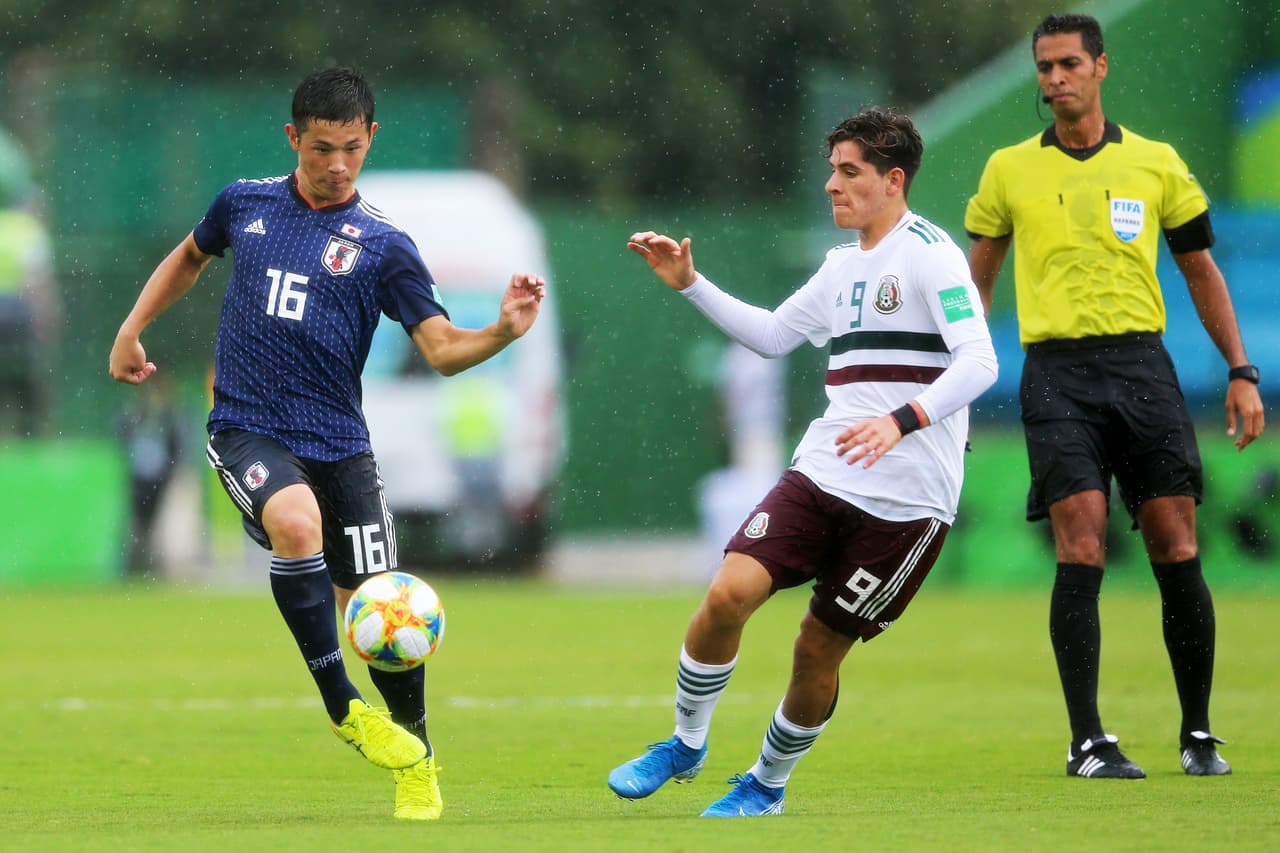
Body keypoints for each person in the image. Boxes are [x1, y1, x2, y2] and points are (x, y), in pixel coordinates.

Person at [108, 66, 546, 820]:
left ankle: (417, 761)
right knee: (295, 521)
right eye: (320, 148)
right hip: (247, 427)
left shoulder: (384, 245)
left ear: (371, 137)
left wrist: (502, 331)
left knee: (384, 615)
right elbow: (188, 256)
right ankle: (342, 705)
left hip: (342, 447)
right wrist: (131, 328)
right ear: (293, 138)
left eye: (351, 148)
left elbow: (441, 349)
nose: (337, 164)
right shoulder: (243, 203)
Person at [608, 108, 998, 817]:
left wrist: (900, 420)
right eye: (832, 170)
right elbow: (772, 334)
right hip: (823, 471)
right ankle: (685, 743)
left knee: (818, 647)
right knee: (727, 594)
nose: (831, 185)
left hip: (907, 503)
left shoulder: (931, 254)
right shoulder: (842, 264)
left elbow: (980, 362)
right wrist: (690, 282)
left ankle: (766, 783)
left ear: (893, 180)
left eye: (849, 172)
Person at [964, 13, 1265, 780]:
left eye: (1069, 63)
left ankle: (1198, 732)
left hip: (1142, 369)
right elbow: (977, 285)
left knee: (1176, 544)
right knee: (1082, 542)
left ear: (1101, 67)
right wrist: (955, 386)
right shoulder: (1008, 169)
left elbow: (1200, 270)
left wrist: (1240, 369)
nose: (1055, 78)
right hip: (1055, 373)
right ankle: (1088, 740)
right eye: (1045, 66)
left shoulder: (1157, 163)